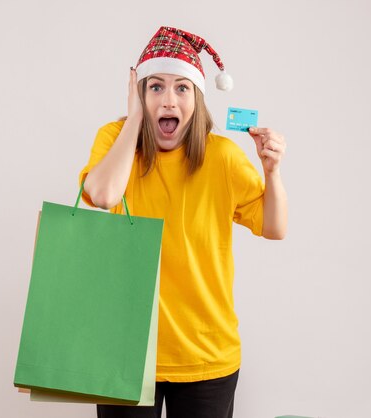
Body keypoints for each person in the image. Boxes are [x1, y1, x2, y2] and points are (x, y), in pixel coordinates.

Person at [79, 26, 288, 418]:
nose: (168, 99)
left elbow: (275, 228)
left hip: (206, 356)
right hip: (125, 352)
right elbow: (104, 195)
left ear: (198, 98)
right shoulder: (115, 138)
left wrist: (272, 172)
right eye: (154, 87)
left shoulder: (222, 157)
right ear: (139, 94)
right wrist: (134, 119)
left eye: (181, 88)